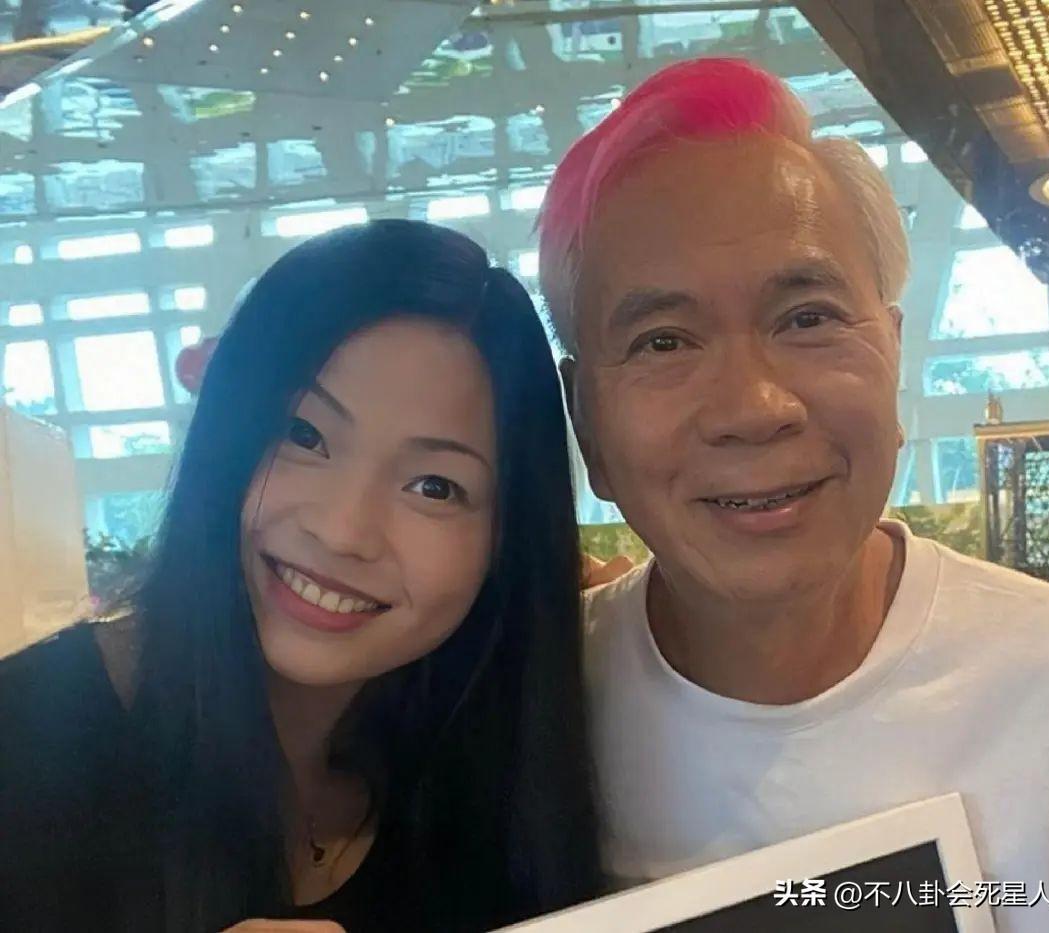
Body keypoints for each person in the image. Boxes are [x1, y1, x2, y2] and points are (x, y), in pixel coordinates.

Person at [538, 57, 1049, 931]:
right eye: (664, 341)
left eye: (808, 318)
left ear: (893, 352)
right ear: (585, 422)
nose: (754, 407)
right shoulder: (532, 714)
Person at [0, 220, 601, 932]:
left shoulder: (493, 771)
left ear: (507, 540)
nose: (343, 530)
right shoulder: (27, 744)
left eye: (434, 487)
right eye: (304, 435)